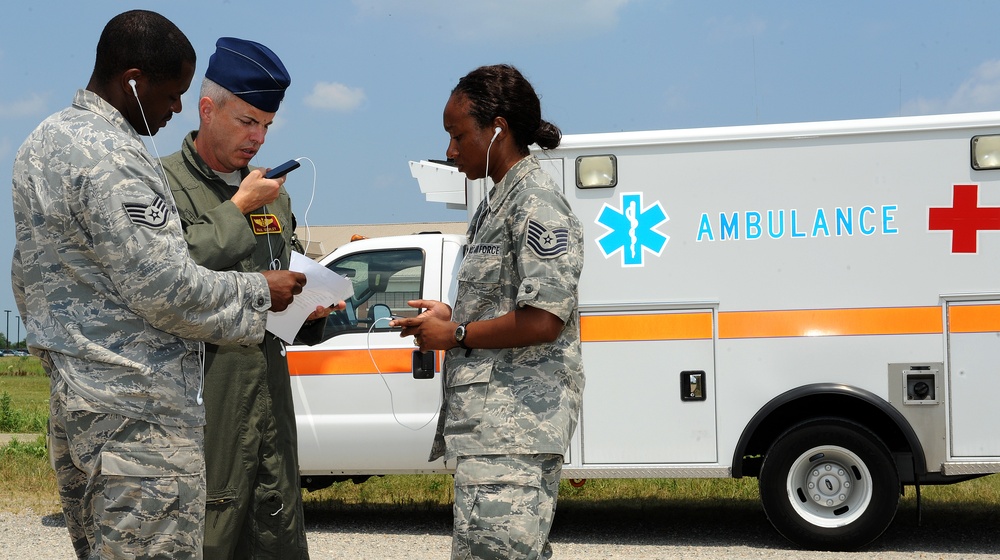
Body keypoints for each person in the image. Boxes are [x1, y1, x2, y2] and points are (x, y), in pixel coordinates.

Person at [10, 11, 306, 560]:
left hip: (80, 408)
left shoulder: (42, 143)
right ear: (132, 80)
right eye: (170, 94)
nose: (175, 107)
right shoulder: (119, 159)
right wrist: (262, 294)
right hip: (138, 423)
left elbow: (29, 281)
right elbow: (168, 288)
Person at [392, 64, 585, 560]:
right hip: (492, 431)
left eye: (458, 135)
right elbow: (502, 304)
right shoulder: (496, 202)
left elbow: (544, 319)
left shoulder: (537, 204)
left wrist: (455, 332)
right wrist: (451, 314)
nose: (451, 151)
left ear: (497, 128)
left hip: (513, 432)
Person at [160, 37, 326, 559]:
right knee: (207, 537)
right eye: (247, 121)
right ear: (208, 109)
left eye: (267, 127)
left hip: (269, 403)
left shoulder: (275, 193)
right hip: (204, 404)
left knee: (275, 534)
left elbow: (280, 281)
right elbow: (170, 273)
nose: (257, 138)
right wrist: (237, 206)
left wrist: (312, 309)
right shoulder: (160, 184)